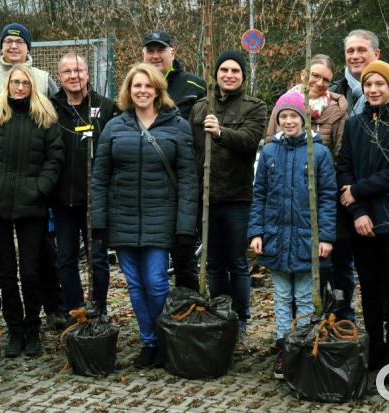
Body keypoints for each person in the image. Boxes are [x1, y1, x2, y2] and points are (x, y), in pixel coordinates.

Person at [91, 63, 198, 368]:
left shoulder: (176, 126)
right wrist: (99, 221)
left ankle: (167, 339)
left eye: (148, 86)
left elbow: (188, 179)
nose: (142, 91)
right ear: (128, 90)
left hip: (159, 216)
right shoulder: (114, 126)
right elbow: (100, 177)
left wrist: (185, 224)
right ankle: (149, 341)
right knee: (135, 285)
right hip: (122, 217)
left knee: (155, 281)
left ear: (158, 90)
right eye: (136, 86)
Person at [0, 23, 63, 327]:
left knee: (38, 262)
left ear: (28, 48)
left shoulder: (45, 81)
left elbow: (54, 144)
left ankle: (48, 311)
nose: (13, 46)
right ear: (0, 47)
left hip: (32, 197)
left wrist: (41, 188)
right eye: (8, 41)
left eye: (19, 42)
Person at [335, 60, 389, 370]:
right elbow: (343, 166)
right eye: (368, 84)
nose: (373, 89)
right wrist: (357, 210)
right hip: (361, 221)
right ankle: (375, 348)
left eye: (379, 84)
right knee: (368, 289)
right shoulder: (355, 124)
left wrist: (357, 191)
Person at [248, 91, 337, 379]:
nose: (288, 121)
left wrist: (325, 236)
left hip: (306, 238)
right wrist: (257, 232)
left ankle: (304, 345)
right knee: (282, 296)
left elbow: (327, 197)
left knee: (305, 296)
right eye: (282, 116)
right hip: (275, 236)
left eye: (293, 116)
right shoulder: (270, 153)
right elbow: (259, 194)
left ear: (304, 118)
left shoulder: (318, 153)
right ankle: (286, 347)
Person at [265, 54, 354, 322]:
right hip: (288, 199)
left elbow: (340, 151)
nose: (319, 82)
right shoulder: (284, 104)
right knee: (293, 271)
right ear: (304, 74)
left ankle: (337, 318)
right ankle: (294, 328)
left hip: (325, 194)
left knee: (334, 263)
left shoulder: (338, 108)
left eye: (326, 79)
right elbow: (271, 141)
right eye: (315, 75)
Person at [188, 50, 267, 332]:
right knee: (214, 263)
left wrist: (221, 132)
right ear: (216, 74)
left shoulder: (254, 106)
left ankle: (241, 318)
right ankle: (221, 313)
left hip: (237, 197)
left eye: (235, 71)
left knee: (237, 261)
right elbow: (191, 150)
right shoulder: (199, 107)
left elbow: (249, 141)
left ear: (243, 75)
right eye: (224, 70)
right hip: (206, 198)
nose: (229, 75)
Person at [52, 53, 117, 317]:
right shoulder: (51, 109)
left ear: (87, 74)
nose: (73, 76)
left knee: (98, 260)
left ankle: (98, 308)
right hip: (63, 200)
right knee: (65, 258)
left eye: (78, 70)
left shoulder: (106, 107)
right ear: (60, 77)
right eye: (66, 72)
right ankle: (75, 309)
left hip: (96, 199)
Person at [142, 30, 206, 291]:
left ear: (173, 52)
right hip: (149, 183)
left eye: (161, 50)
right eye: (150, 50)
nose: (155, 56)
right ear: (143, 54)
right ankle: (156, 306)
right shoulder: (137, 86)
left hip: (184, 182)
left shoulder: (195, 85)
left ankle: (187, 304)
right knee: (152, 252)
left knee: (184, 250)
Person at [329, 29, 389, 117]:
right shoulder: (333, 93)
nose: (355, 56)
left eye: (362, 50)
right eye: (350, 51)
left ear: (376, 54)